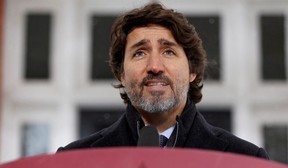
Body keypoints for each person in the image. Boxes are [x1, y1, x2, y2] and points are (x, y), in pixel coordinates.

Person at [57, 3, 269, 159]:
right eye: (140, 53)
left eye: (168, 51)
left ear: (192, 70)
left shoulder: (247, 160)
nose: (154, 66)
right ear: (121, 73)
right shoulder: (73, 160)